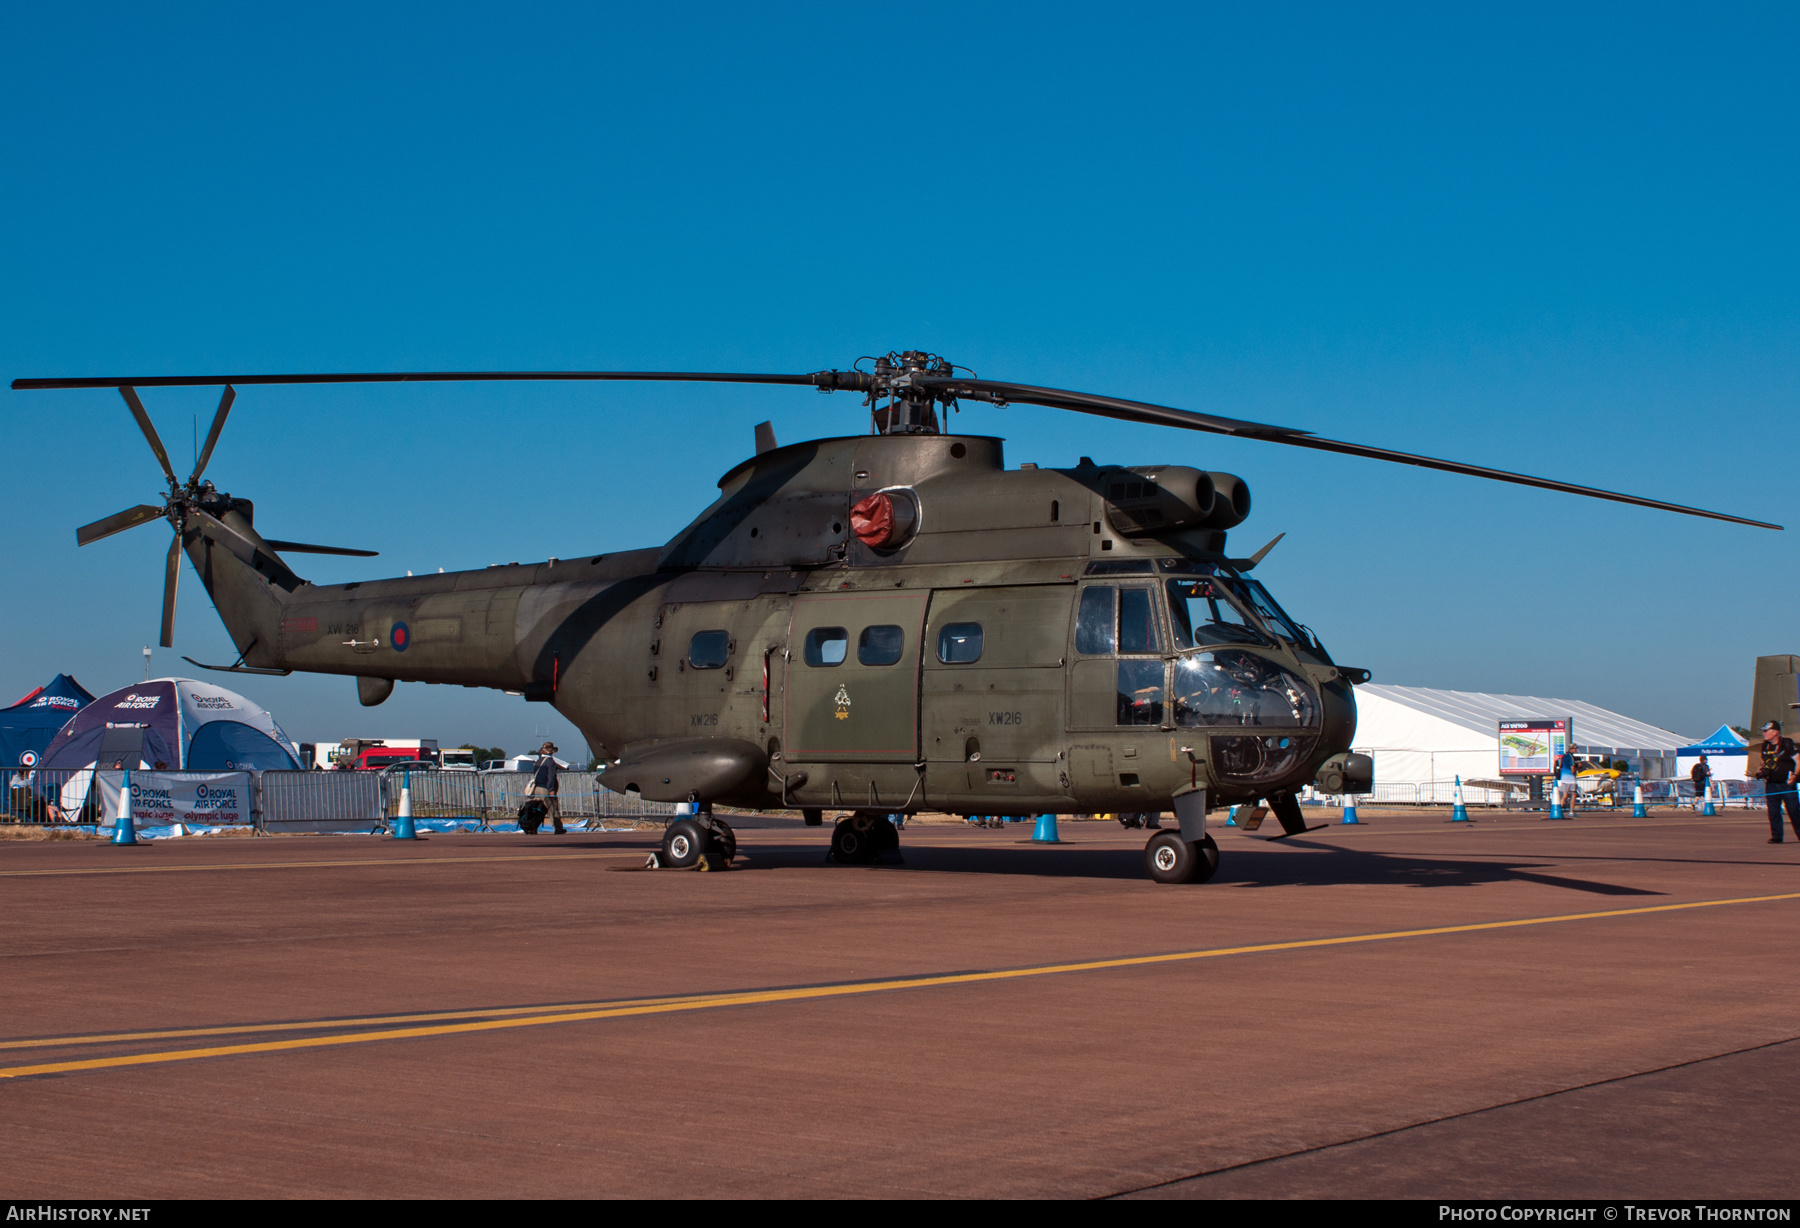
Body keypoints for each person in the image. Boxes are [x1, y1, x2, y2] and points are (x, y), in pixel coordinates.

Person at [1751, 721, 1800, 844]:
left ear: (1775, 732)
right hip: (1771, 783)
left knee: (1793, 810)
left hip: (1787, 784)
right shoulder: (1765, 746)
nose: (1764, 734)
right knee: (1773, 811)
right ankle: (1776, 836)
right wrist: (1762, 768)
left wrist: (1794, 776)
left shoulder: (1787, 743)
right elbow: (1765, 761)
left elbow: (1798, 761)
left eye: (1766, 731)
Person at [528, 741, 564, 835]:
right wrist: (551, 789)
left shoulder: (538, 761)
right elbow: (551, 776)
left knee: (538, 809)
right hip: (545, 788)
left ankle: (532, 826)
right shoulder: (550, 762)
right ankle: (558, 827)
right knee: (552, 809)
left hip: (537, 788)